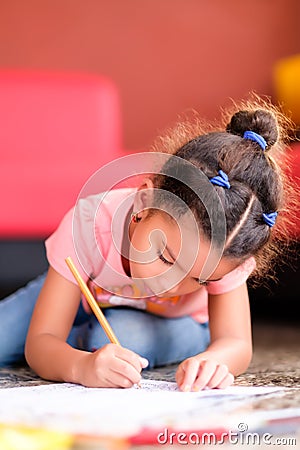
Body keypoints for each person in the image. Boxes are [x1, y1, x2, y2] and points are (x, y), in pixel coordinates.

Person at [0, 97, 293, 391]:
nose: (170, 285)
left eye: (200, 279)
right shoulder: (89, 225)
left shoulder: (228, 247)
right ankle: (81, 342)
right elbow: (41, 342)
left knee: (117, 340)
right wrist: (79, 366)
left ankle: (91, 342)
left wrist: (215, 360)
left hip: (169, 322)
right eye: (166, 258)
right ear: (143, 203)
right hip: (83, 294)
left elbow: (236, 342)